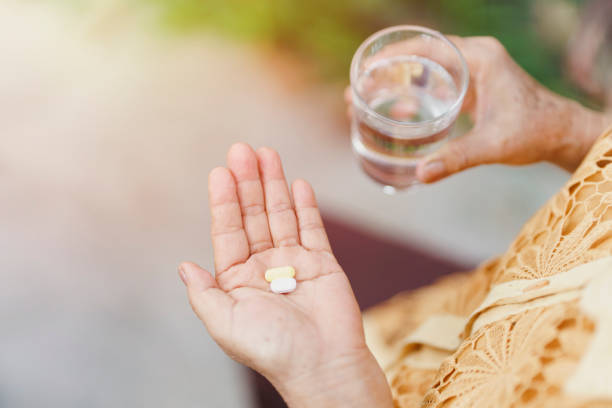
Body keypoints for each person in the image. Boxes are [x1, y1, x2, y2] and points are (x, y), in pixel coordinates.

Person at [177, 35, 612, 407]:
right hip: (462, 306)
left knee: (292, 304)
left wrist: (329, 383)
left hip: (378, 378)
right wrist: (575, 130)